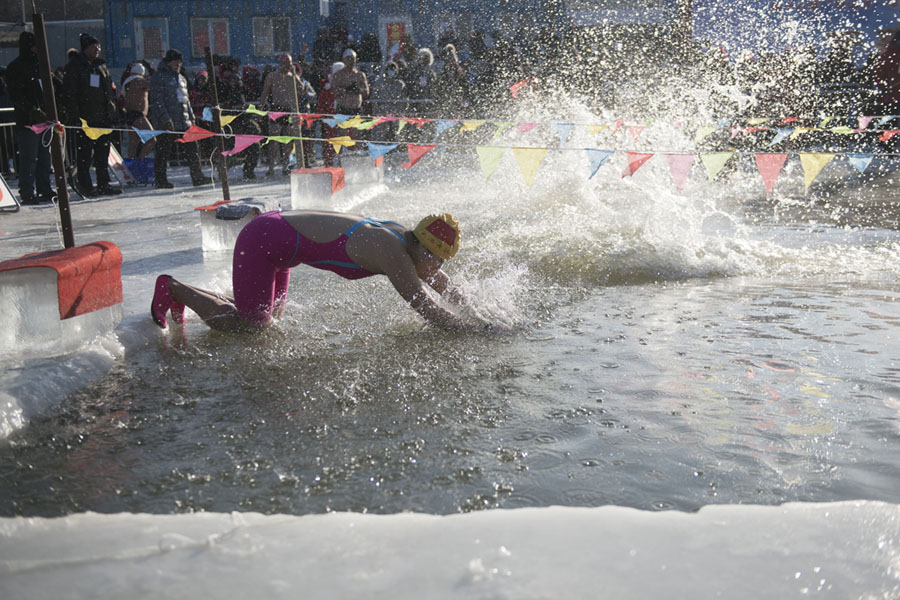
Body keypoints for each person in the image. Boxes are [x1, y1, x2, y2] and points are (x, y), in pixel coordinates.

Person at [150, 211, 497, 333]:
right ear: (422, 247)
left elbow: (444, 286)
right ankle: (173, 289)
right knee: (252, 328)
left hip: (280, 240)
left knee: (267, 320)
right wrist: (474, 332)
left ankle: (189, 297)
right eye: (436, 260)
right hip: (264, 240)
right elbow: (427, 307)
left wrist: (488, 317)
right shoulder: (393, 253)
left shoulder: (407, 240)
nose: (436, 269)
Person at [63, 33, 121, 197]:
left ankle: (104, 184)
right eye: (93, 47)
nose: (97, 50)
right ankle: (86, 185)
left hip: (103, 118)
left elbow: (109, 91)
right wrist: (75, 116)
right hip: (85, 119)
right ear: (85, 48)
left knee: (103, 154)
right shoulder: (75, 66)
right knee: (85, 156)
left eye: (99, 47)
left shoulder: (101, 66)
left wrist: (113, 112)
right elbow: (70, 94)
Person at [148, 48, 211, 188]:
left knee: (193, 149)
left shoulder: (181, 77)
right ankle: (161, 179)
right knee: (163, 151)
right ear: (168, 62)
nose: (178, 64)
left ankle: (197, 176)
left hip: (184, 120)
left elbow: (186, 100)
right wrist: (165, 118)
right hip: (168, 121)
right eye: (175, 62)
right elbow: (157, 100)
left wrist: (192, 118)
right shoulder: (159, 77)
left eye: (179, 62)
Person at [5, 31, 55, 204]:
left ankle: (45, 188)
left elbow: (51, 88)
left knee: (44, 158)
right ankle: (27, 191)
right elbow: (16, 95)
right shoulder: (16, 68)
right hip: (27, 122)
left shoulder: (41, 65)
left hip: (44, 121)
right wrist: (31, 110)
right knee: (29, 158)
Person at [257, 53, 315, 175]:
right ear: (279, 64)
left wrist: (295, 75)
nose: (286, 66)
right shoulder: (272, 76)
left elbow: (302, 89)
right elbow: (265, 93)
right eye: (284, 63)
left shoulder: (292, 76)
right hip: (276, 109)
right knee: (273, 139)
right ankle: (271, 167)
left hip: (289, 110)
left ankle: (285, 165)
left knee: (288, 140)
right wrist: (260, 109)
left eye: (288, 63)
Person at [122, 62, 154, 159]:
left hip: (129, 114)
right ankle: (139, 160)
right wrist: (152, 72)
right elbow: (154, 84)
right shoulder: (139, 81)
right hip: (138, 114)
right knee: (152, 140)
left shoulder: (127, 82)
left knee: (134, 143)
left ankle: (132, 163)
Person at [332, 49, 369, 115]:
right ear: (343, 60)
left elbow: (366, 92)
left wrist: (358, 89)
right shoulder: (338, 75)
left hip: (356, 109)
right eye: (348, 58)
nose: (350, 61)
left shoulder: (360, 75)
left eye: (352, 58)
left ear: (356, 60)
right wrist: (345, 90)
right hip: (343, 108)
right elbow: (334, 92)